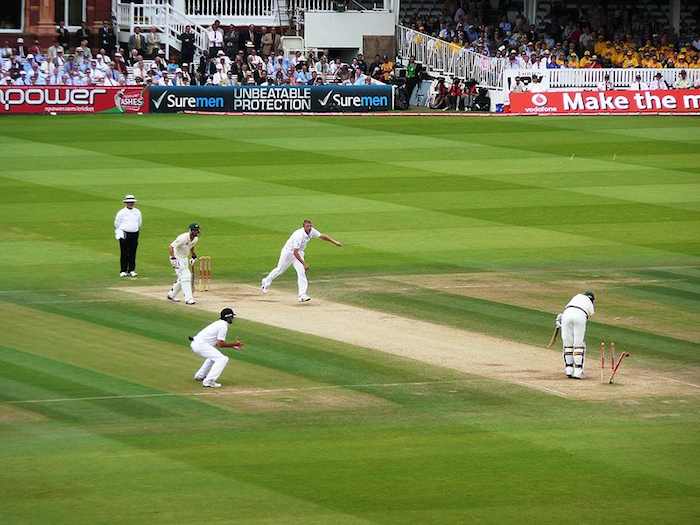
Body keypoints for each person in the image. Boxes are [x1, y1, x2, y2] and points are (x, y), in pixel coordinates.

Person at [261, 219, 342, 302]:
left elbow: (322, 236)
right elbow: (295, 252)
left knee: (301, 273)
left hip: (299, 252)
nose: (309, 228)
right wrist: (304, 263)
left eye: (310, 226)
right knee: (279, 270)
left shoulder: (311, 231)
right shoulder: (299, 235)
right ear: (303, 227)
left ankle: (302, 295)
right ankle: (266, 281)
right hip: (288, 252)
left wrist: (334, 242)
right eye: (307, 226)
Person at [189, 308, 244, 388]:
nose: (233, 318)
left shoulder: (219, 323)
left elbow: (218, 344)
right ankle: (209, 381)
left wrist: (232, 345)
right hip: (200, 345)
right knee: (222, 359)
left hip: (196, 343)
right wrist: (234, 344)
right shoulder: (223, 326)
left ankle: (200, 376)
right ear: (228, 317)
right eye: (232, 317)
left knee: (214, 357)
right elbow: (220, 344)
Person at [559, 291, 595, 379]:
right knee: (578, 344)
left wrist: (560, 319)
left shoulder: (576, 296)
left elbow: (569, 308)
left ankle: (569, 369)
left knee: (567, 343)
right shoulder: (589, 302)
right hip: (580, 316)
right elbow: (590, 313)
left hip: (566, 315)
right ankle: (578, 371)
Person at [167, 223, 201, 305]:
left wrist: (193, 255)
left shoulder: (195, 239)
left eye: (197, 230)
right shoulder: (182, 238)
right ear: (190, 230)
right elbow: (171, 247)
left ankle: (171, 294)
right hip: (177, 258)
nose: (196, 232)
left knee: (182, 278)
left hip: (184, 258)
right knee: (186, 276)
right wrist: (173, 258)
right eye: (194, 230)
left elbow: (191, 246)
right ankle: (189, 299)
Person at [114, 194, 142, 277]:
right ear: (126, 203)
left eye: (132, 202)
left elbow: (139, 222)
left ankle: (132, 270)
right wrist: (120, 232)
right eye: (129, 202)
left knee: (133, 252)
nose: (131, 203)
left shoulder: (137, 211)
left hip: (135, 233)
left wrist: (135, 229)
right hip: (124, 233)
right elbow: (117, 223)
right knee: (124, 252)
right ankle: (123, 270)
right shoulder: (121, 212)